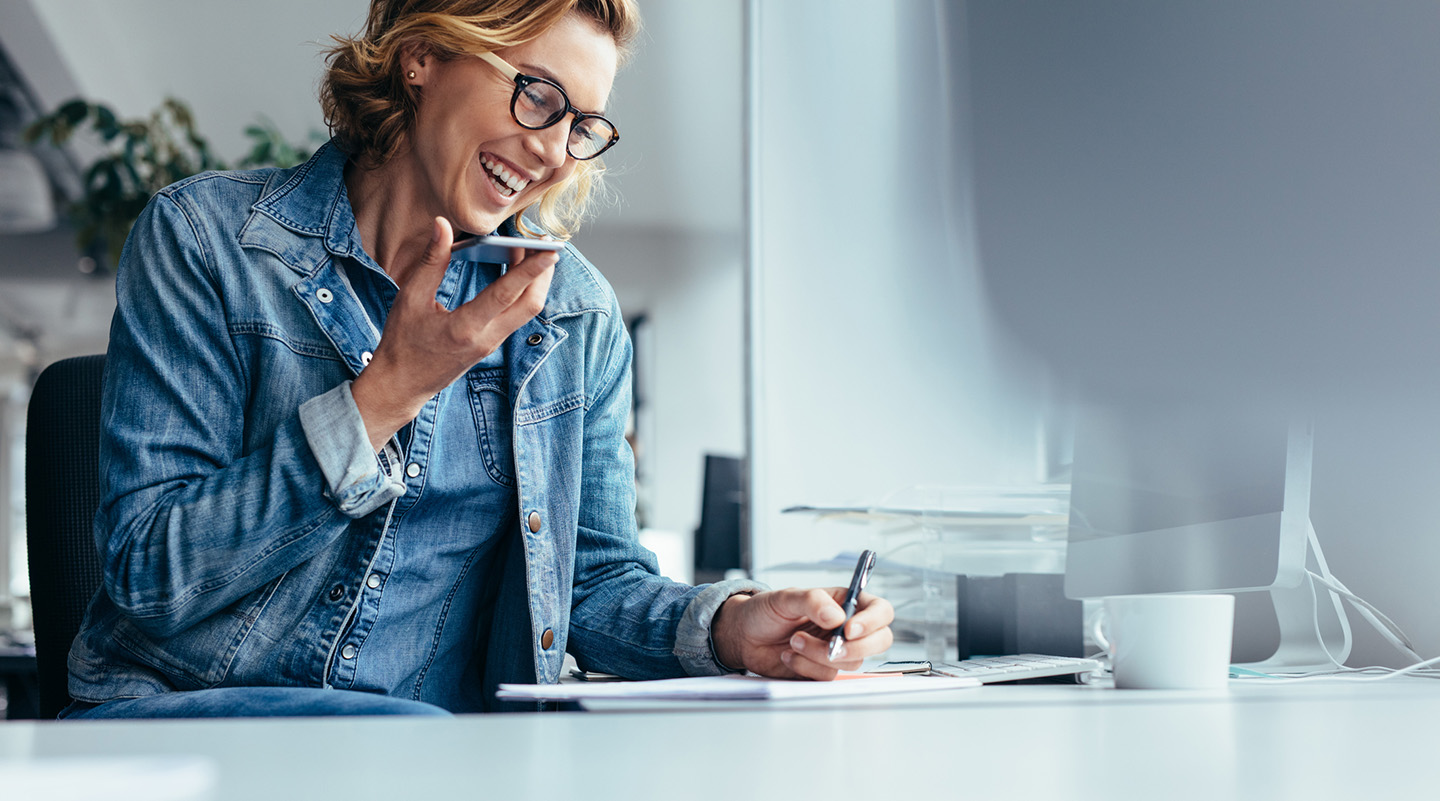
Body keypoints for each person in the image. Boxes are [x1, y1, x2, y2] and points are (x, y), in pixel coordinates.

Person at [61, 0, 893, 719]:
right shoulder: (209, 241)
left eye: (581, 125)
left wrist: (732, 627)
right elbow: (151, 575)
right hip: (184, 725)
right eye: (538, 95)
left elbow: (592, 585)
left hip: (421, 756)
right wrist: (385, 393)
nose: (556, 150)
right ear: (421, 55)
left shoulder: (573, 315)